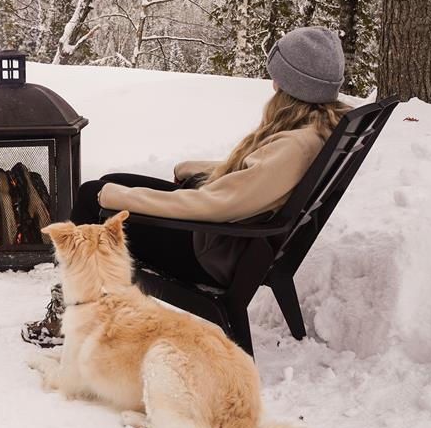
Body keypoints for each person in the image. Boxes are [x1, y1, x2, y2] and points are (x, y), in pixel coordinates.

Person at [22, 26, 351, 347]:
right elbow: (252, 180)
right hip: (231, 242)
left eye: (279, 75)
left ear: (297, 85)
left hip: (210, 252)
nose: (273, 82)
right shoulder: (313, 129)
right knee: (106, 184)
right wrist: (198, 170)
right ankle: (87, 301)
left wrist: (118, 200)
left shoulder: (293, 147)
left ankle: (70, 317)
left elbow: (215, 206)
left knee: (92, 199)